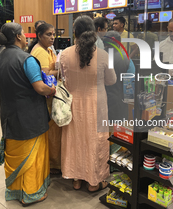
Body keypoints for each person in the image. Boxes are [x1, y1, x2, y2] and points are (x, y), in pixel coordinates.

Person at [0, 22, 54, 206]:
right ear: (18, 37)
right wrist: (53, 90)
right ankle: (31, 193)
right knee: (31, 155)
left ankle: (15, 191)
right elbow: (40, 88)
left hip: (9, 115)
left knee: (15, 151)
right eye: (24, 34)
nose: (26, 37)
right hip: (30, 117)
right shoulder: (26, 59)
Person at [60, 15, 116, 192]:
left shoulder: (65, 54)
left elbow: (64, 79)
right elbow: (112, 80)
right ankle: (94, 182)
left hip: (74, 103)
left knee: (75, 140)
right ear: (93, 32)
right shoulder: (103, 55)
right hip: (96, 104)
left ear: (75, 32)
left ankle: (76, 179)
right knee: (96, 140)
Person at [28, 23, 61, 175]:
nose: (52, 37)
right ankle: (53, 163)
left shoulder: (46, 49)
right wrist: (61, 70)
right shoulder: (40, 52)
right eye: (48, 34)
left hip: (50, 95)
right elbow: (46, 75)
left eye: (53, 34)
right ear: (39, 36)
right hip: (47, 96)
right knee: (52, 131)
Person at [103, 31, 135, 121]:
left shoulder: (96, 57)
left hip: (98, 103)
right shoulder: (127, 59)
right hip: (118, 104)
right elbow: (130, 86)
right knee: (116, 133)